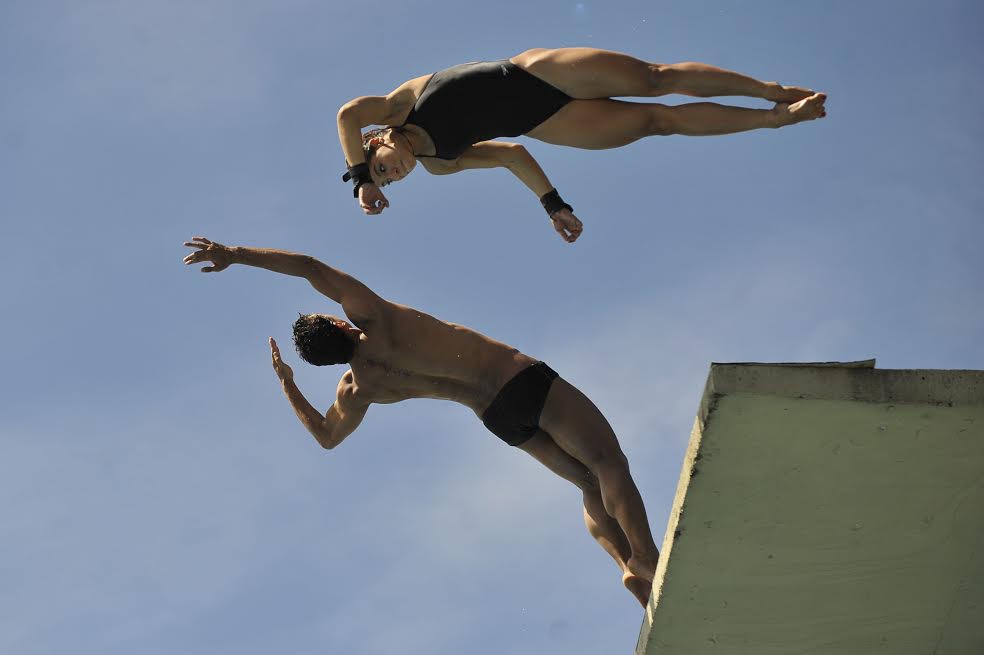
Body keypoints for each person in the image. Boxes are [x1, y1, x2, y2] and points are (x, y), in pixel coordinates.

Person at [183, 235, 661, 606]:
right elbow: (309, 267)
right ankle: (645, 555)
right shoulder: (375, 319)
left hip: (496, 417)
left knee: (585, 484)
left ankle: (624, 565)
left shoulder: (359, 388)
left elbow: (327, 437)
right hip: (515, 379)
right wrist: (236, 254)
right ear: (337, 324)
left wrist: (288, 385)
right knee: (606, 461)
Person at [338, 47, 827, 242]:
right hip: (544, 119)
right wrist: (553, 205)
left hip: (534, 72)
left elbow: (346, 114)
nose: (392, 176)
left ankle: (768, 89)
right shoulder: (439, 163)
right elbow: (511, 154)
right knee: (658, 123)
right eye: (390, 182)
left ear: (377, 143)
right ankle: (775, 119)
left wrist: (359, 182)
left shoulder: (396, 107)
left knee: (655, 80)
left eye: (380, 168)